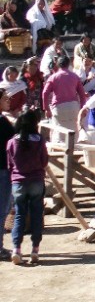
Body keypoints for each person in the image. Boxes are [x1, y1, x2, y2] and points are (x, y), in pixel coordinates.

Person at [6, 109, 48, 266]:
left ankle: (16, 249)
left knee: (19, 216)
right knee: (37, 215)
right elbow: (44, 161)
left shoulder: (12, 142)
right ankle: (35, 250)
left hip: (18, 183)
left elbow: (10, 164)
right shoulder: (39, 140)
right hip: (36, 181)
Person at [41, 54, 87, 130]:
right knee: (73, 132)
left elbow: (45, 92)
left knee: (58, 132)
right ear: (69, 64)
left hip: (58, 107)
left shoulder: (53, 77)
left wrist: (46, 109)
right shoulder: (75, 76)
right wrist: (83, 108)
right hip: (73, 106)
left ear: (58, 64)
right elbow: (82, 94)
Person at [0, 89, 15, 260]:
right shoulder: (3, 124)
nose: (8, 101)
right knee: (2, 210)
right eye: (5, 99)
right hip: (3, 170)